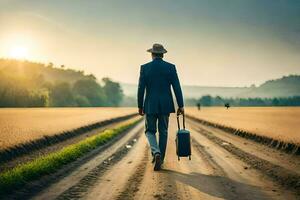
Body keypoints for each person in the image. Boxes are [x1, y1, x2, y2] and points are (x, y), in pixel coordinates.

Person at [137, 43, 184, 171]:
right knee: (163, 132)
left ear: (152, 54)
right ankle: (161, 159)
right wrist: (181, 105)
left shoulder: (145, 68)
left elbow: (141, 88)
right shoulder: (170, 67)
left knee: (150, 131)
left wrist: (140, 106)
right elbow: (177, 87)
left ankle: (156, 152)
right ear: (163, 54)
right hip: (165, 104)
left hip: (150, 105)